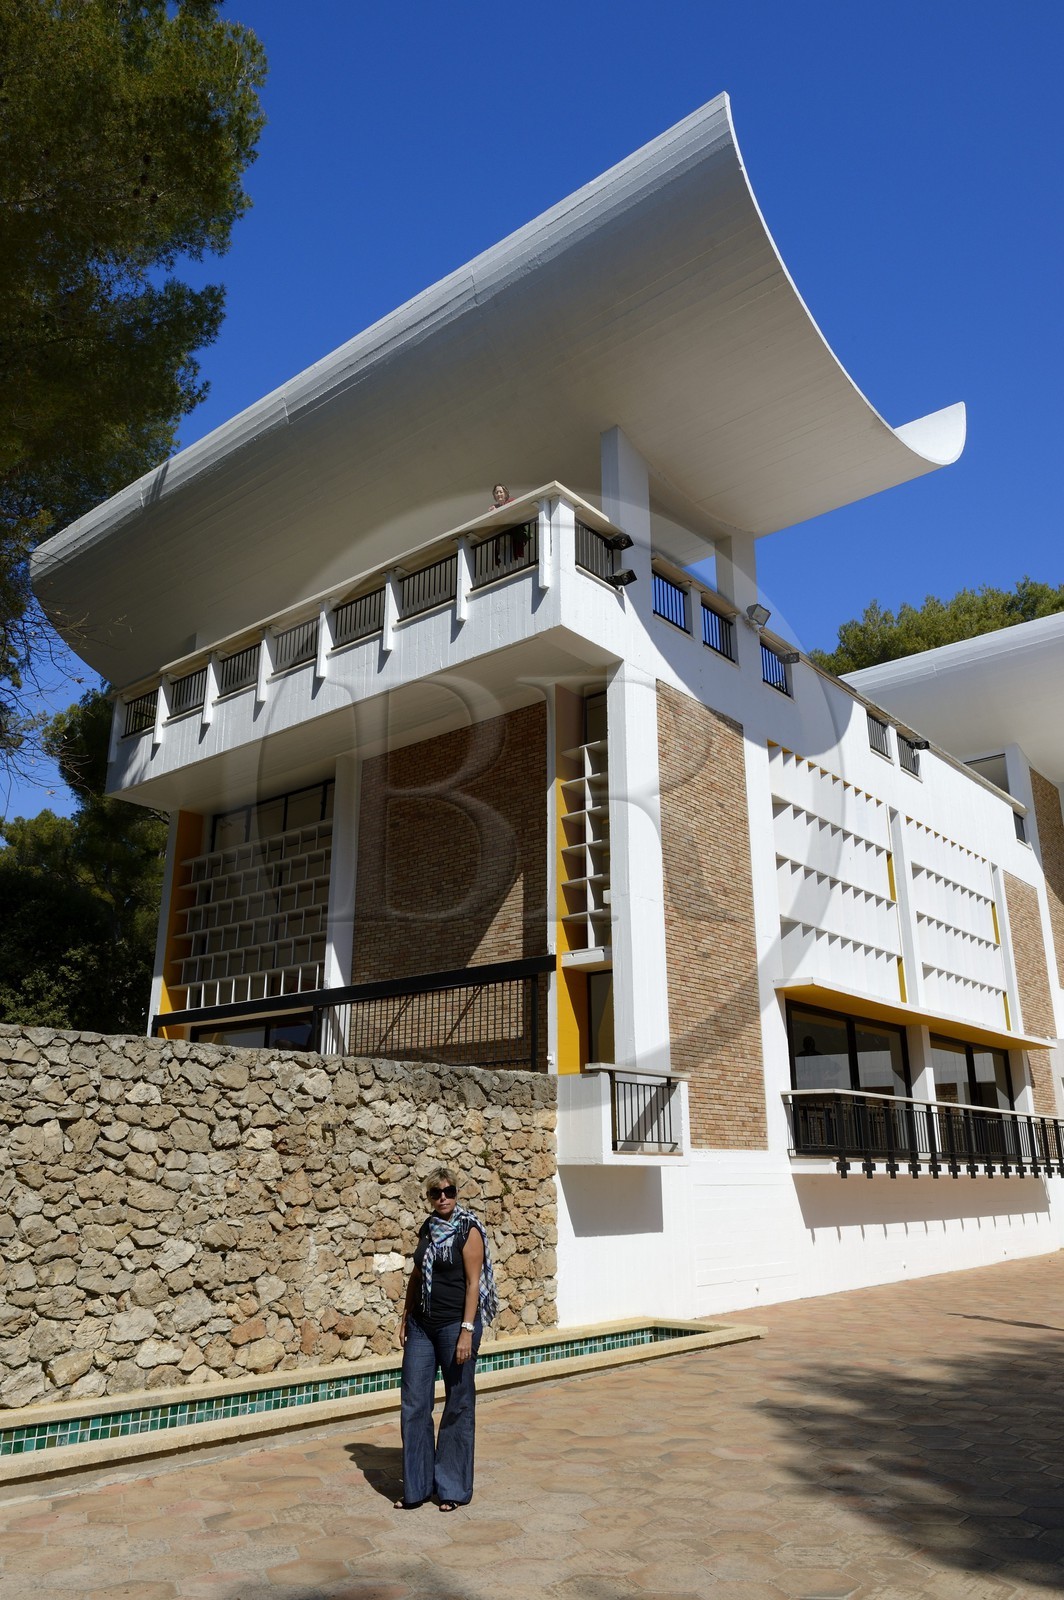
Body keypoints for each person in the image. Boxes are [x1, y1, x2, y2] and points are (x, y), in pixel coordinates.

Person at [395, 1166, 498, 1511]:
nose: (443, 1198)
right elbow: (416, 1275)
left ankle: (452, 1488)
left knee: (458, 1404)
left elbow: (473, 1284)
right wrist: (406, 1315)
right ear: (428, 1197)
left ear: (457, 1193)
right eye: (435, 1193)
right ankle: (417, 1488)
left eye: (449, 1191)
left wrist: (467, 1331)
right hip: (423, 1326)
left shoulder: (468, 1231)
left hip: (456, 1325)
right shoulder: (428, 1227)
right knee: (414, 1405)